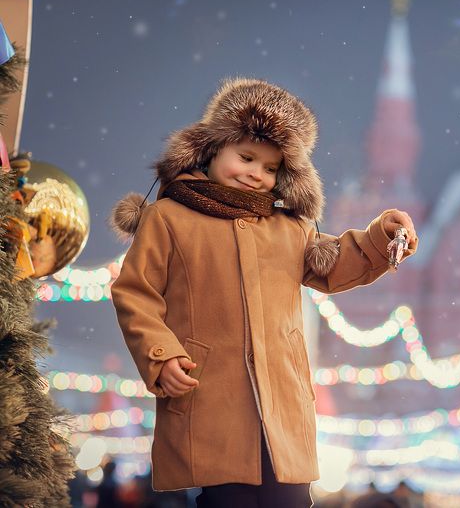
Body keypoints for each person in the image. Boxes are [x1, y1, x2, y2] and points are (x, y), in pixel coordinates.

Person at [109, 78, 418, 507]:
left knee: (289, 499)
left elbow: (335, 265)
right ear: (214, 148)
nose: (256, 173)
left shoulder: (289, 229)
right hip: (212, 399)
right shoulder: (169, 219)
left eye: (271, 168)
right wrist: (160, 354)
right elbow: (136, 292)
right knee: (228, 499)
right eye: (246, 157)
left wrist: (381, 237)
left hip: (282, 407)